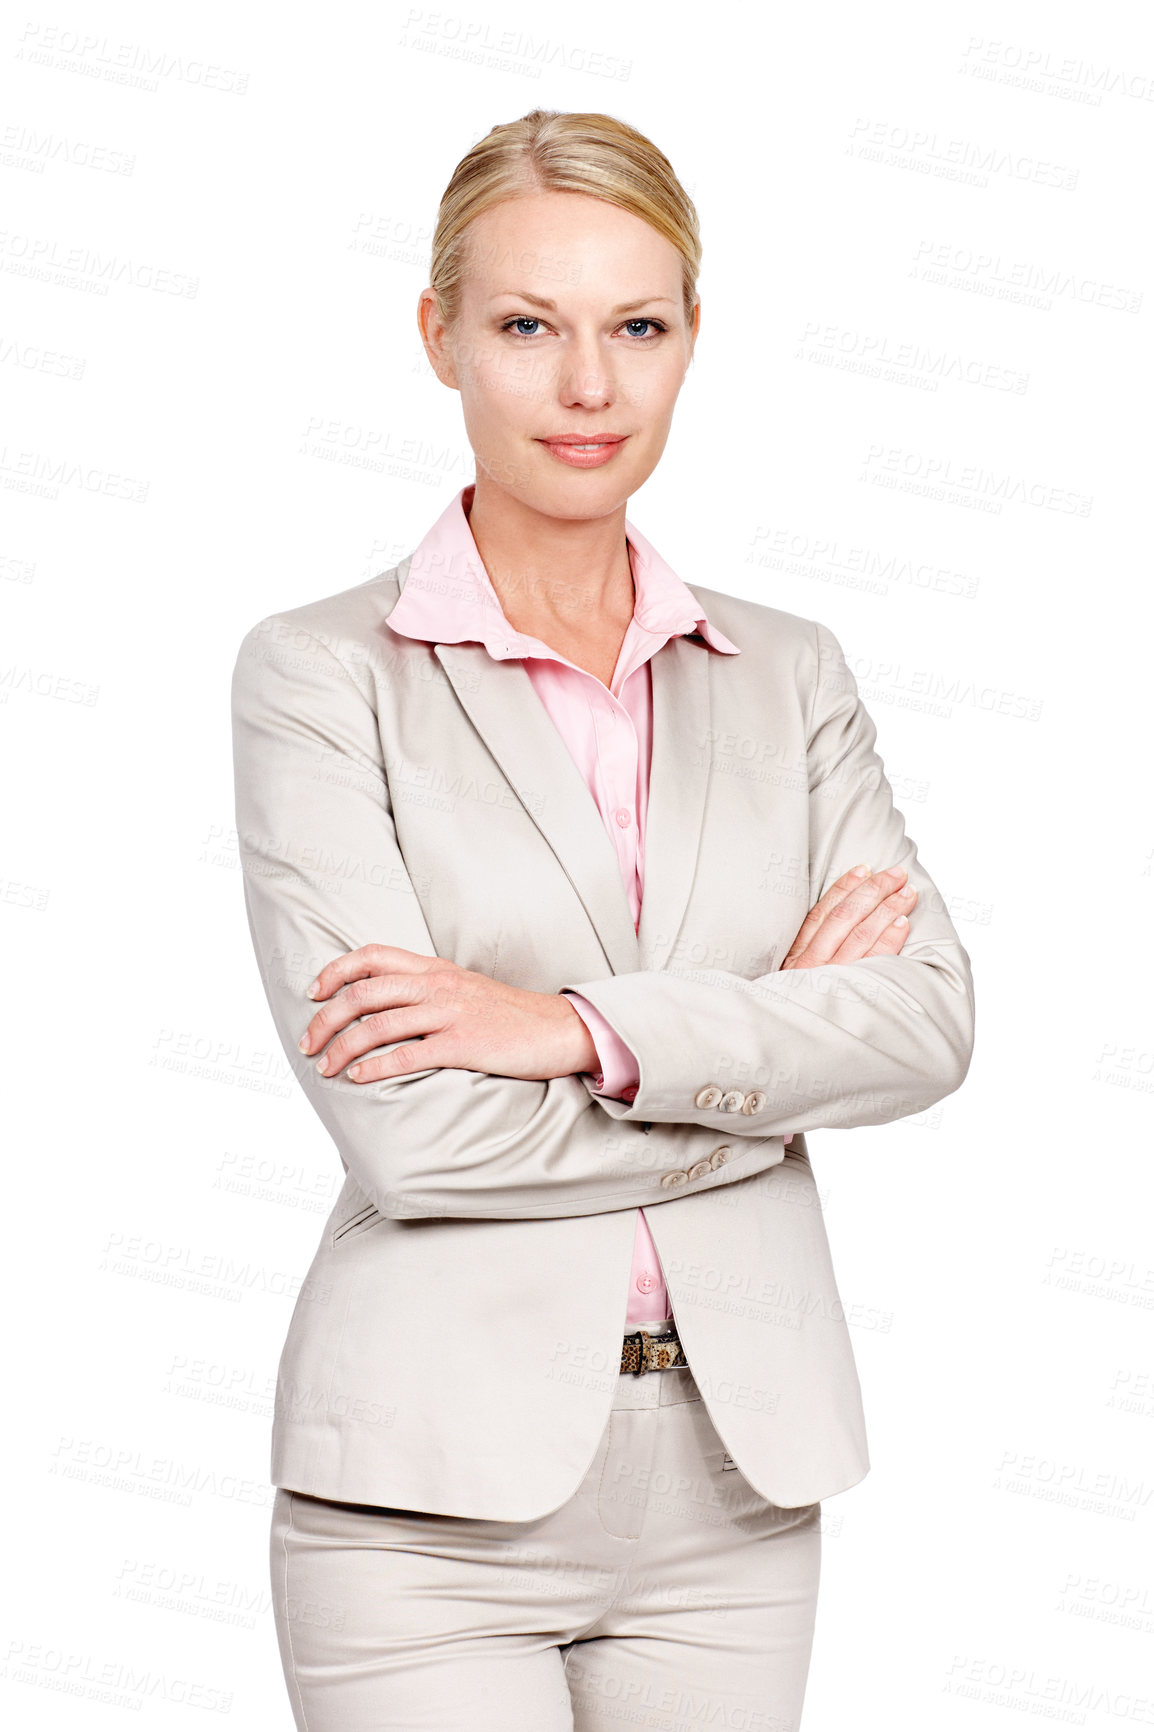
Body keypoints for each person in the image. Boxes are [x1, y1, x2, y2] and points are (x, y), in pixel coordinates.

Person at [231, 107, 975, 1732]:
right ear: (438, 337)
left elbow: (923, 1024)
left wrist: (567, 1030)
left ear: (691, 336)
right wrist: (763, 1069)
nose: (589, 387)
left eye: (636, 327)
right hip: (426, 1503)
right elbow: (411, 1140)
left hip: (736, 1488)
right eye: (526, 326)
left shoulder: (789, 674)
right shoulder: (320, 675)